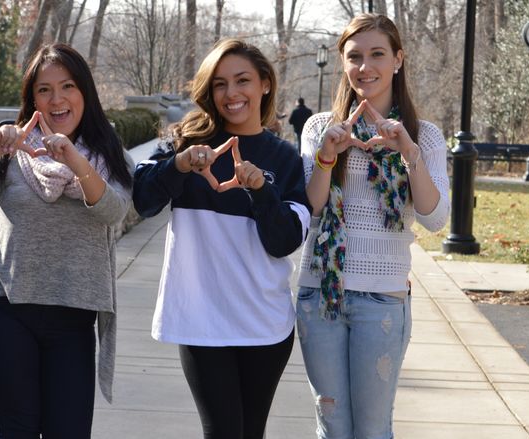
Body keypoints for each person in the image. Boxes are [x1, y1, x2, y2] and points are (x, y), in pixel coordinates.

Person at [0, 43, 132, 439]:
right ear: (32, 99)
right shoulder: (12, 151)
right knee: (19, 430)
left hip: (73, 316)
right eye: (44, 90)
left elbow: (113, 211)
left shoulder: (110, 156)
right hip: (3, 309)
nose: (57, 99)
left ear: (85, 94)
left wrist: (74, 161)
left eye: (68, 87)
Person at [132, 38, 311, 439]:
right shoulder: (183, 141)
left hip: (264, 323)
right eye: (220, 84)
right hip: (201, 318)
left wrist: (261, 190)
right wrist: (179, 164)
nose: (231, 93)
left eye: (242, 80)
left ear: (265, 84)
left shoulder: (284, 158)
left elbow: (285, 241)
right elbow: (141, 199)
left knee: (250, 433)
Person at [296, 14, 449, 439]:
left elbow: (435, 219)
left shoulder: (424, 136)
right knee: (332, 427)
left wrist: (409, 154)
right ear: (343, 64)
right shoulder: (318, 128)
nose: (366, 67)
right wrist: (328, 155)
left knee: (371, 430)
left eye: (377, 54)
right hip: (319, 296)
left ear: (398, 59)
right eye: (355, 57)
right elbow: (310, 210)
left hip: (381, 301)